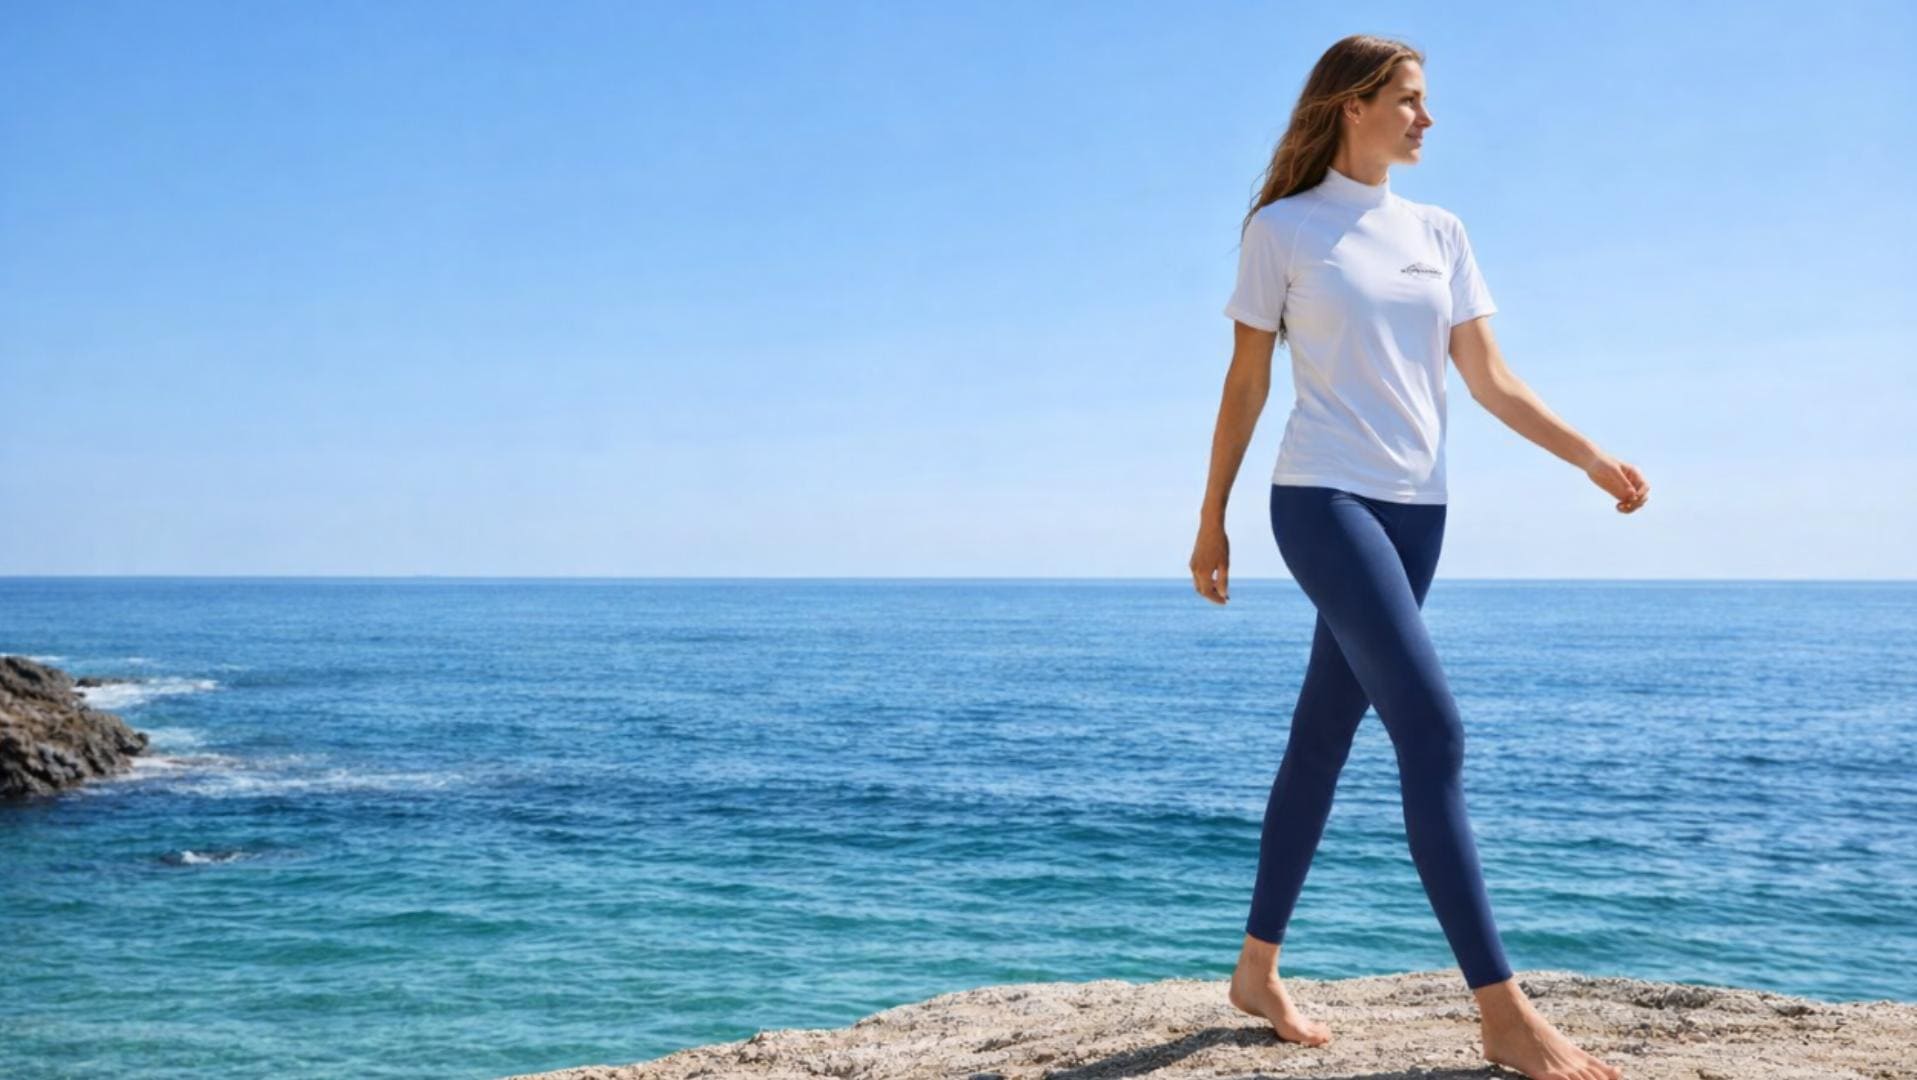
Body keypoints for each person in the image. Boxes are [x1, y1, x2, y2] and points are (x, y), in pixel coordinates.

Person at [1190, 33, 1646, 1080]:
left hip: (1418, 512)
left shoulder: (1441, 231)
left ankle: (1256, 970)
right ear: (1350, 106)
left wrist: (1589, 456)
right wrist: (1211, 517)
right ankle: (1502, 1012)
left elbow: (1489, 380)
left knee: (1321, 737)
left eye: (1424, 100)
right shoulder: (1283, 229)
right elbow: (1245, 383)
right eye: (1407, 99)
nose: (1426, 118)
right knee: (1432, 733)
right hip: (1322, 500)